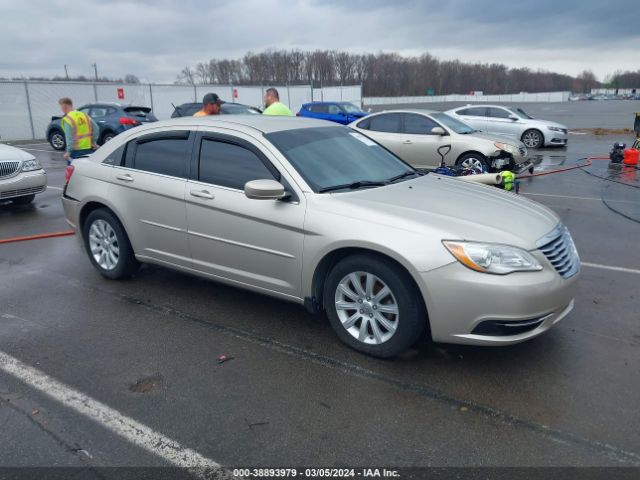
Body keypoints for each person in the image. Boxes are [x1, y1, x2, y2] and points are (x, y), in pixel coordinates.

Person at [59, 97, 99, 165]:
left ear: (64, 106)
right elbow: (96, 129)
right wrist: (93, 142)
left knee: (74, 173)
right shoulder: (84, 115)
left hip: (76, 152)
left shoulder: (68, 119)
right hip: (89, 149)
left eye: (61, 107)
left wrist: (68, 152)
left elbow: (69, 137)